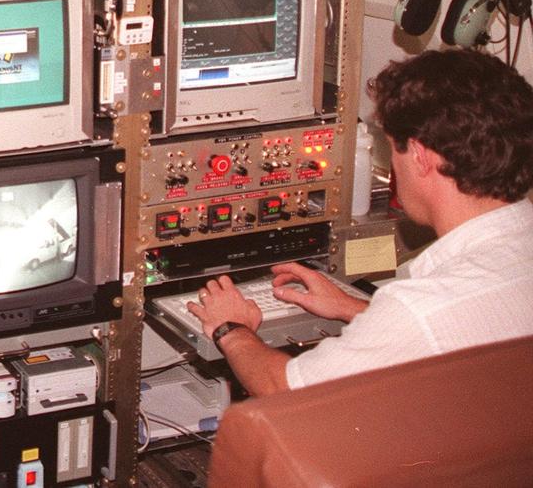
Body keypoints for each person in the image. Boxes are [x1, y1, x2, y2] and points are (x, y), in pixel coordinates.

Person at [187, 48, 533, 396]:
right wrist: (354, 309)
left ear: (418, 155)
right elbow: (454, 326)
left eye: (392, 148)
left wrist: (231, 327)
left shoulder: (417, 309)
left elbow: (283, 387)